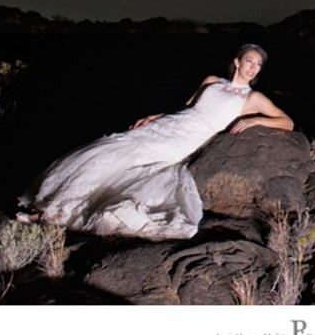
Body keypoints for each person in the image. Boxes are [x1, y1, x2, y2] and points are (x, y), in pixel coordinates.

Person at [17, 44, 293, 240]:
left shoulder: (251, 98)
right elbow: (187, 107)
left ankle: (56, 215)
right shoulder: (211, 81)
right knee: (116, 150)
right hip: (172, 124)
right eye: (249, 61)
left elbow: (286, 121)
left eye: (257, 64)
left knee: (136, 162)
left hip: (190, 138)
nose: (253, 67)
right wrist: (154, 116)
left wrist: (257, 121)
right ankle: (50, 210)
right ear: (237, 61)